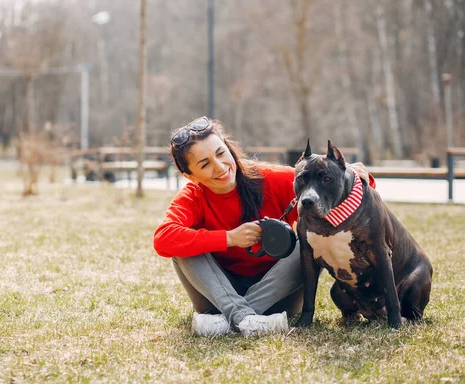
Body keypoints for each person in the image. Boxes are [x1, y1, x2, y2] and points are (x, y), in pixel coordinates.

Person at [153, 117, 374, 337]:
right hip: (218, 296)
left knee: (305, 242)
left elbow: (351, 191)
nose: (220, 167)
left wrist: (352, 176)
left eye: (221, 153)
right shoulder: (193, 197)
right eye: (204, 164)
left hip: (279, 297)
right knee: (181, 246)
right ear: (189, 175)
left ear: (229, 149)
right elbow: (162, 239)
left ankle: (229, 322)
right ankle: (244, 319)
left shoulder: (272, 179)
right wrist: (229, 238)